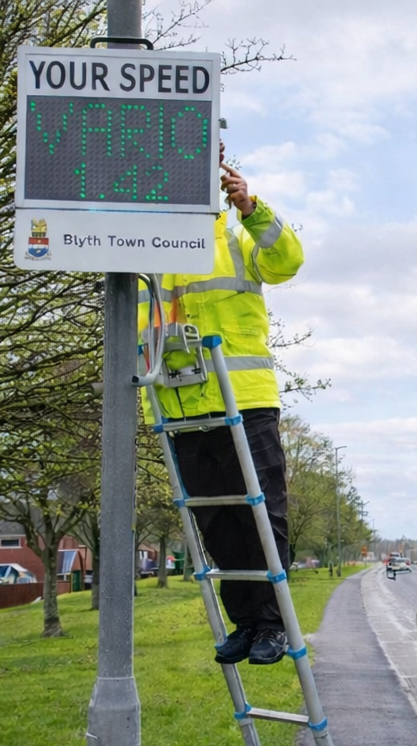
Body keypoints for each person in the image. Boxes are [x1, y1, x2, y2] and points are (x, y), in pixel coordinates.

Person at [139, 142, 304, 666]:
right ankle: (246, 622)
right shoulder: (149, 253)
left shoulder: (235, 238)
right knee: (216, 525)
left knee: (261, 518)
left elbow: (287, 261)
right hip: (182, 410)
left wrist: (250, 208)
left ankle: (273, 625)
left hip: (245, 401)